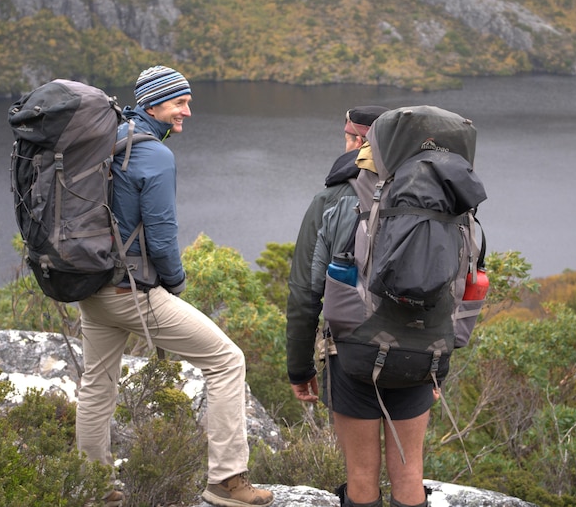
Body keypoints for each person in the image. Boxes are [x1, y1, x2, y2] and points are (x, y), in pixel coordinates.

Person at [76, 66, 274, 507]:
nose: (188, 111)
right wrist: (175, 284)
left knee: (97, 381)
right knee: (227, 361)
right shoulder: (153, 155)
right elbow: (162, 237)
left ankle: (93, 486)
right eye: (179, 103)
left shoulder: (106, 138)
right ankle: (227, 482)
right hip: (131, 293)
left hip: (90, 287)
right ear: (153, 103)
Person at [286, 107, 435, 507]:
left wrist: (299, 367)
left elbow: (304, 293)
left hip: (351, 356)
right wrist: (437, 366)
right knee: (410, 477)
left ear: (357, 141)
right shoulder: (435, 202)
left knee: (361, 479)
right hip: (420, 355)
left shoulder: (331, 200)